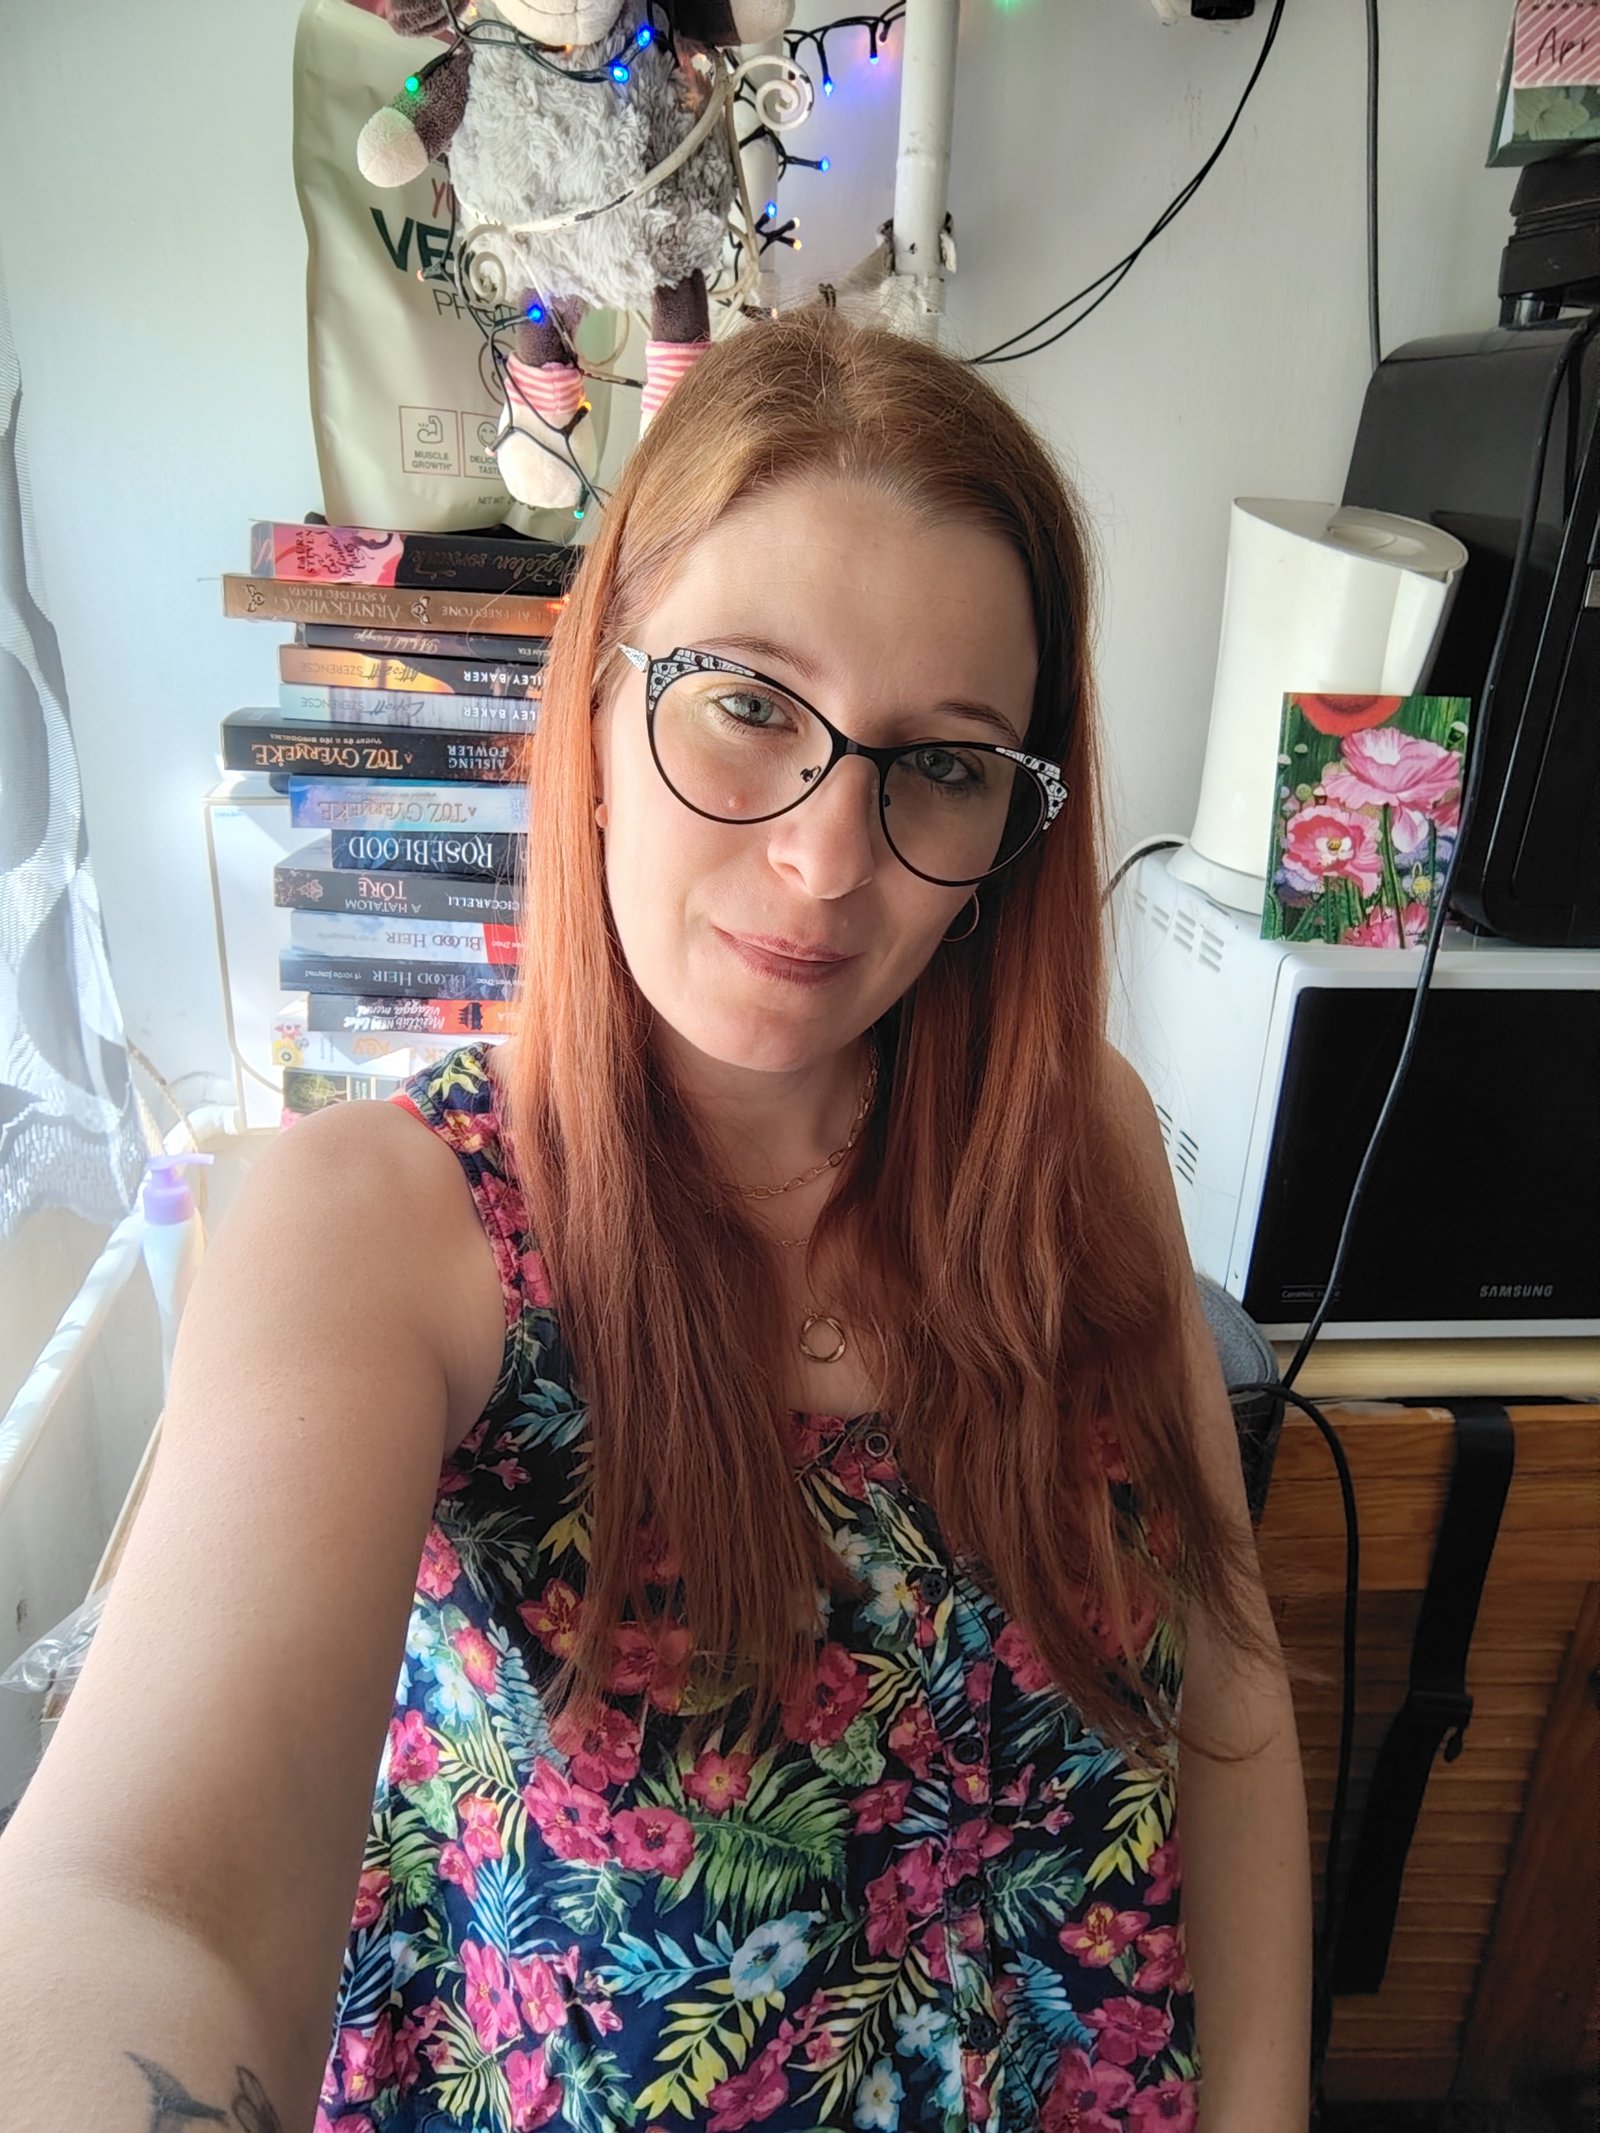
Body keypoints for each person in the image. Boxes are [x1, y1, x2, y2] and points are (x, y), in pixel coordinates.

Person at [0, 310, 1310, 2131]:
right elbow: (145, 1897)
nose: (826, 857)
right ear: (599, 704)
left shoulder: (1072, 1139)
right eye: (748, 703)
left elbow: (1227, 1694)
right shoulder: (378, 1227)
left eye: (943, 763)